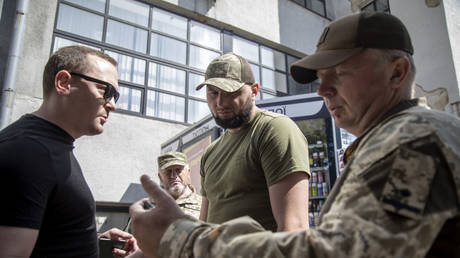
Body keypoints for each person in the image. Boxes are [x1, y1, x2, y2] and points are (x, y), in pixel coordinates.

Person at [129, 12, 460, 258]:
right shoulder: (396, 139)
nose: (324, 90)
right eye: (320, 77)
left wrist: (183, 240)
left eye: (340, 73)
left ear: (397, 72)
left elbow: (339, 251)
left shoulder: (415, 143)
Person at [0, 46, 137, 257]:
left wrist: (94, 240)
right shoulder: (29, 152)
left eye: (115, 96)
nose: (112, 105)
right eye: (105, 90)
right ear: (63, 83)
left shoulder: (50, 148)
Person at [195, 52, 310, 232]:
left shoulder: (273, 129)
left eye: (230, 92)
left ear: (254, 91)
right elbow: (202, 228)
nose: (220, 102)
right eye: (213, 92)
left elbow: (294, 229)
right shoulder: (210, 153)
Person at [156, 152, 201, 218]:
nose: (173, 176)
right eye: (168, 171)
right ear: (160, 177)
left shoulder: (204, 205)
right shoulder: (151, 208)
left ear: (188, 172)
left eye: (178, 170)